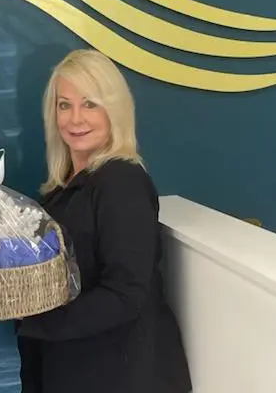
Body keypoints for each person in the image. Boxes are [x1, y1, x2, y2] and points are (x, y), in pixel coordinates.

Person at [16, 48, 192, 393]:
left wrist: (38, 319)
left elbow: (126, 293)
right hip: (73, 367)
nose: (75, 118)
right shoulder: (61, 189)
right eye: (64, 104)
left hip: (120, 373)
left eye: (90, 103)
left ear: (115, 109)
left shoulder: (122, 181)